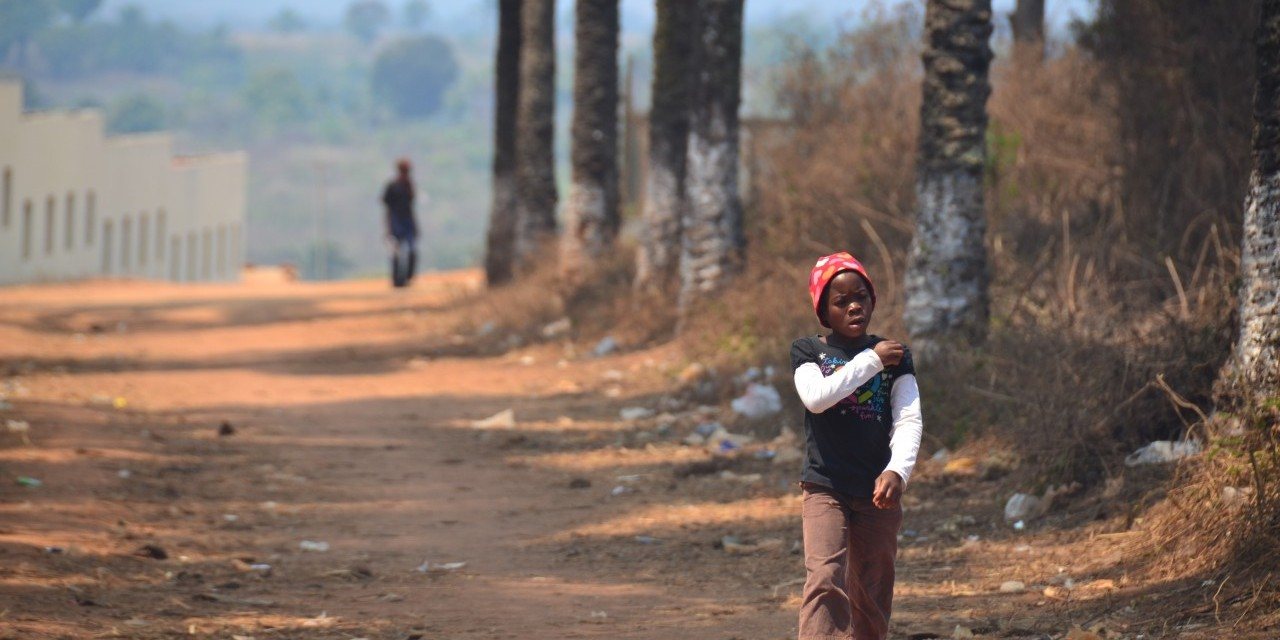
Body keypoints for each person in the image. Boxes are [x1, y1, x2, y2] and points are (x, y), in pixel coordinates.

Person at [790, 251, 924, 640]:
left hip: (877, 491)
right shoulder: (809, 352)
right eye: (840, 301)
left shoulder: (895, 356)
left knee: (873, 585)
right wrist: (870, 361)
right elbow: (816, 398)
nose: (853, 306)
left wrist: (898, 469)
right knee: (825, 578)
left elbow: (909, 418)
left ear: (872, 300)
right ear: (823, 312)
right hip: (824, 486)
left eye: (861, 297)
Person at [382, 158, 419, 288]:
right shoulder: (393, 186)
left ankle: (407, 277)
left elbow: (410, 207)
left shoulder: (409, 186)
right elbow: (387, 208)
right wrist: (388, 226)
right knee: (396, 252)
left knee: (411, 250)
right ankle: (397, 280)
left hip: (406, 221)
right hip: (396, 221)